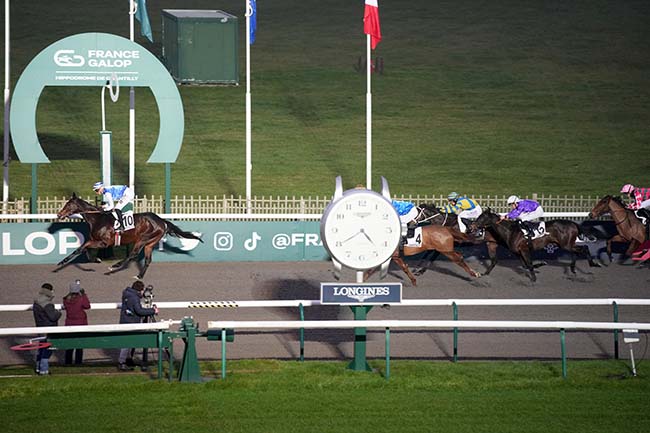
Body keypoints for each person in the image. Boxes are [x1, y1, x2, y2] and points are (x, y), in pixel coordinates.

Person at [118, 280, 158, 371]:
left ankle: (128, 359)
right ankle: (122, 362)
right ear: (140, 290)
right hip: (130, 322)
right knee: (126, 343)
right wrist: (153, 311)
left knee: (130, 342)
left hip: (127, 321)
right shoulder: (134, 298)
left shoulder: (128, 294)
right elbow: (139, 311)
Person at [32, 283, 61, 375]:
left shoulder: (37, 301)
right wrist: (58, 313)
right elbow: (53, 317)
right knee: (47, 350)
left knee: (41, 349)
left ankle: (38, 367)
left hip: (40, 328)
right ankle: (44, 370)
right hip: (48, 329)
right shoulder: (47, 304)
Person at [62, 280, 91, 365]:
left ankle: (68, 362)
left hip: (69, 324)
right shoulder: (80, 299)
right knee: (79, 345)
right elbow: (87, 306)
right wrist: (84, 295)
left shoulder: (66, 300)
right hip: (80, 325)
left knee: (69, 345)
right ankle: (78, 362)